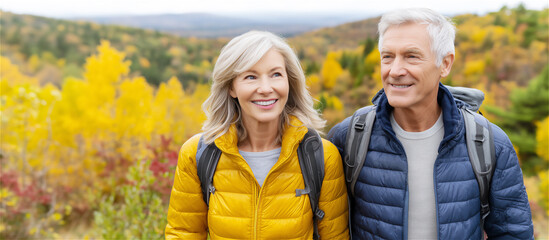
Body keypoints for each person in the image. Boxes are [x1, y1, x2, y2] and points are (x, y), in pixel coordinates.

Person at [328, 8, 533, 240]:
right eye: (387, 56)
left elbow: (513, 233)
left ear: (445, 64)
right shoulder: (349, 137)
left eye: (411, 56)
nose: (395, 71)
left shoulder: (489, 143)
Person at [165, 31, 349, 239]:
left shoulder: (321, 156)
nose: (265, 88)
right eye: (250, 77)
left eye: (276, 74)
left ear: (290, 81)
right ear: (231, 87)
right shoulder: (199, 154)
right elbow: (184, 233)